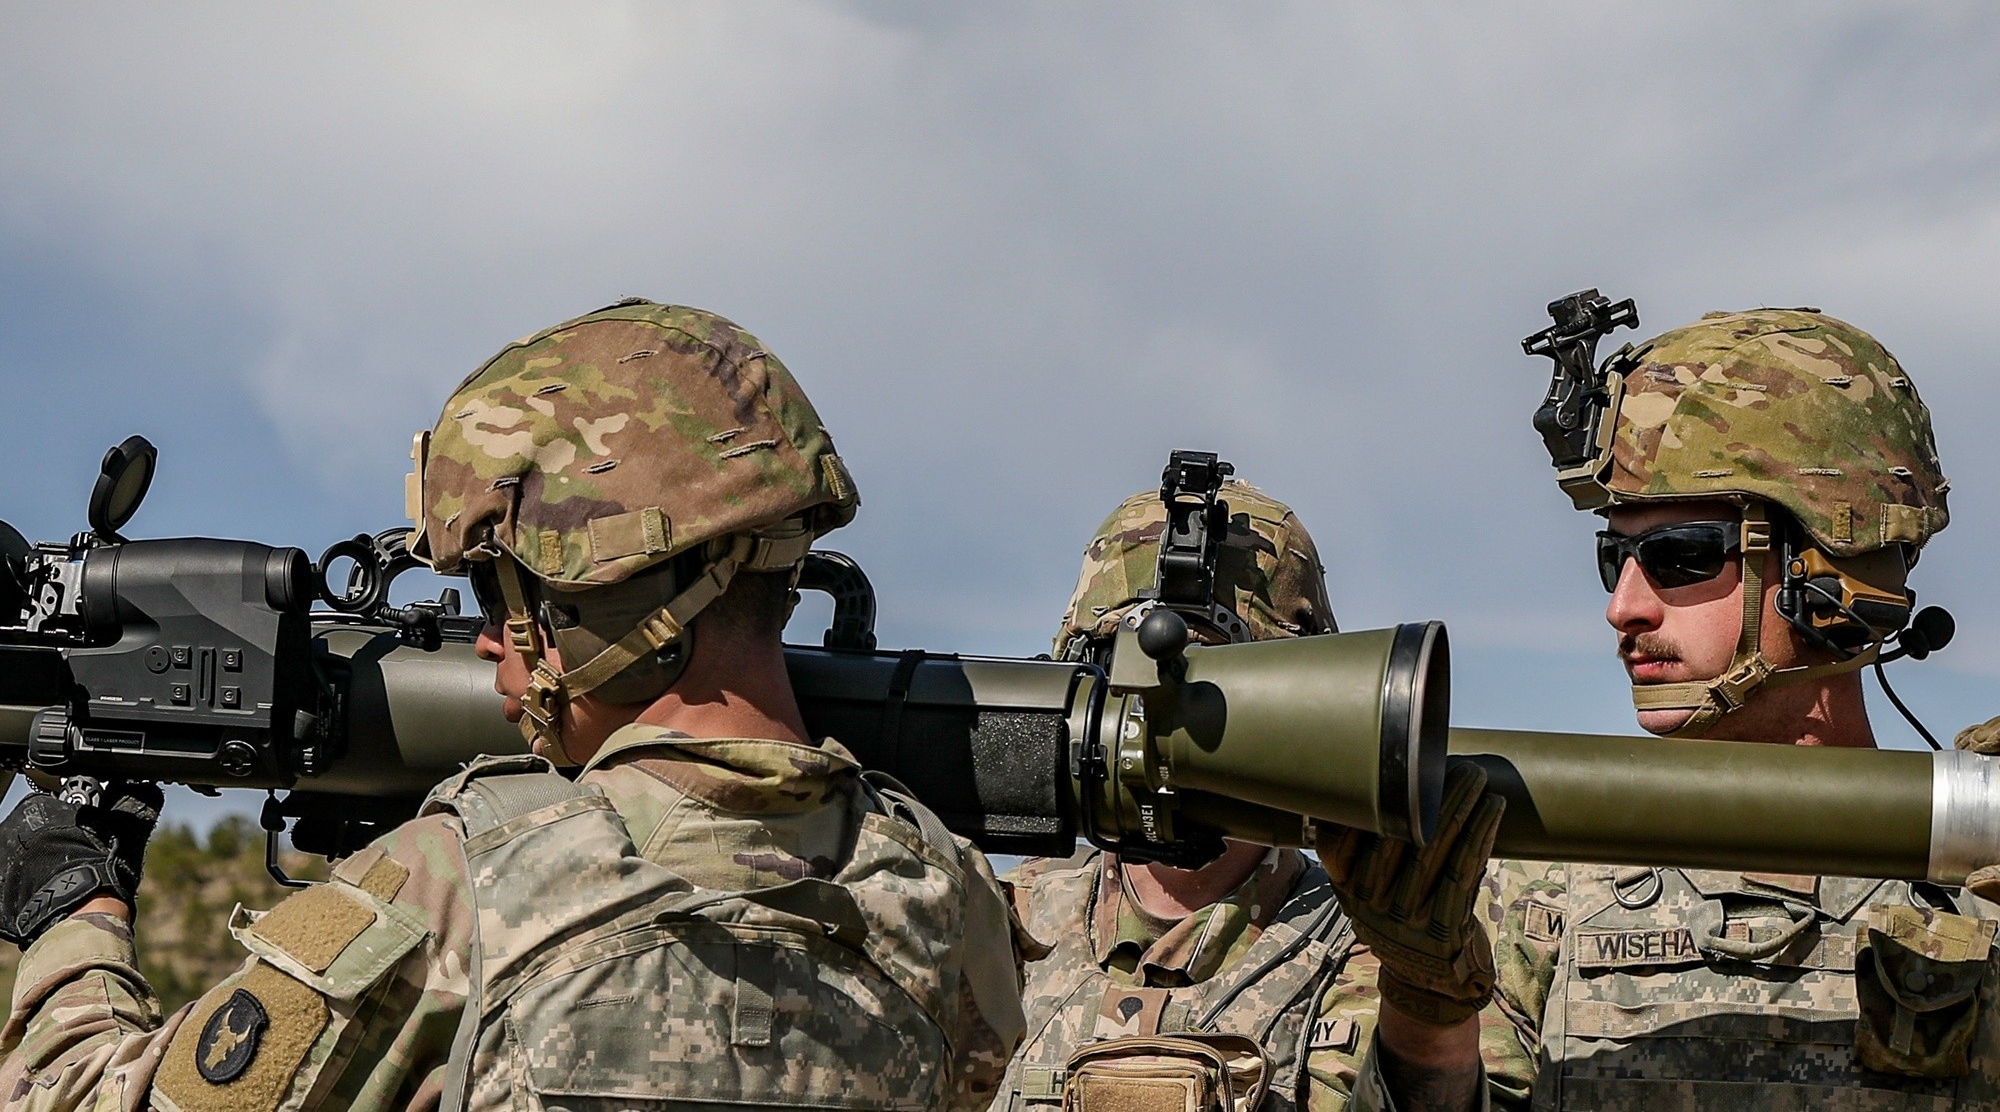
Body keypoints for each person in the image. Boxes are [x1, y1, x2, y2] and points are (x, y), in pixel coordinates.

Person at [0, 299, 1025, 1110]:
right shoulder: (946, 896)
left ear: (615, 595)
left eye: (504, 591)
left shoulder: (460, 882)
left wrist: (73, 910)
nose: (488, 634)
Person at [1350, 306, 2000, 1109]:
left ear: (1828, 572)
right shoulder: (1522, 901)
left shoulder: (1982, 886)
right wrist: (1424, 1022)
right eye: (1614, 557)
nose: (1624, 608)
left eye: (1679, 556)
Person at [995, 477, 1397, 1111]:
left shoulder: (1377, 954)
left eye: (1200, 690)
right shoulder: (998, 927)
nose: (1152, 721)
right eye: (1122, 676)